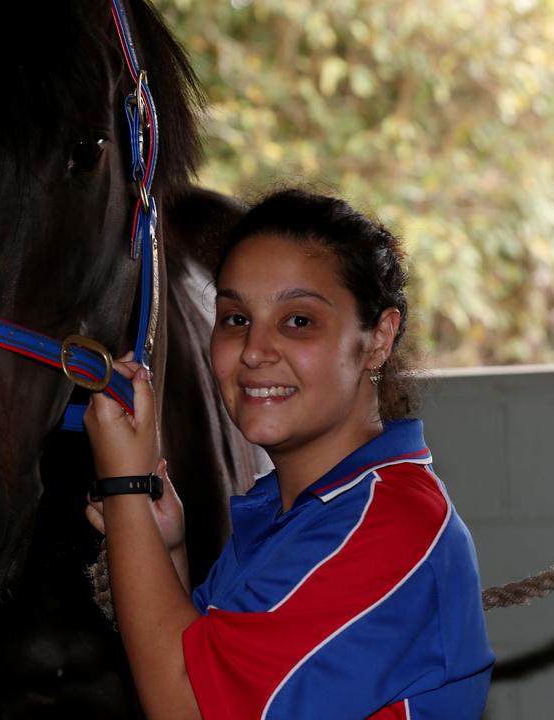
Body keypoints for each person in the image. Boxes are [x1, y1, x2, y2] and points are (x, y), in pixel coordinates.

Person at [84, 189, 493, 719]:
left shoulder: (388, 524)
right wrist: (167, 551)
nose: (254, 350)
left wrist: (125, 488)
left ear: (378, 339)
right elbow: (200, 664)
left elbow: (186, 707)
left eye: (298, 320)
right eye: (234, 318)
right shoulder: (287, 510)